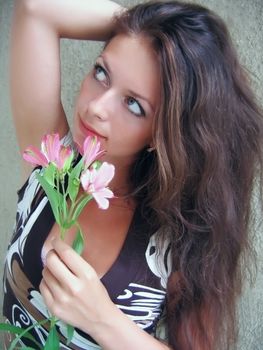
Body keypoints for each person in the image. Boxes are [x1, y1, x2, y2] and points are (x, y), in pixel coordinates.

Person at [2, 0, 263, 349]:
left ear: (163, 133)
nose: (96, 108)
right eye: (101, 72)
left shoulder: (175, 240)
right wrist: (140, 27)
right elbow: (37, 9)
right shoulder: (53, 165)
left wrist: (103, 320)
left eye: (134, 104)